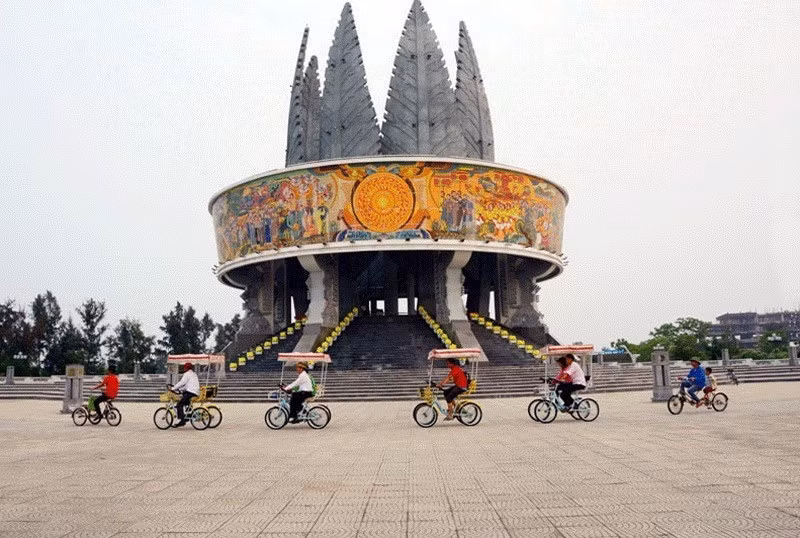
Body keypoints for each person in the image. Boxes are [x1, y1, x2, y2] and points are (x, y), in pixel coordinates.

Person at [171, 362, 199, 427]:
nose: (184, 368)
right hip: (194, 392)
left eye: (185, 367)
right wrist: (180, 389)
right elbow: (187, 385)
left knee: (179, 404)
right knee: (184, 399)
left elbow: (182, 382)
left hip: (191, 392)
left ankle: (182, 421)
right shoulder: (193, 374)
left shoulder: (187, 374)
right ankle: (188, 413)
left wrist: (173, 388)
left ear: (186, 368)